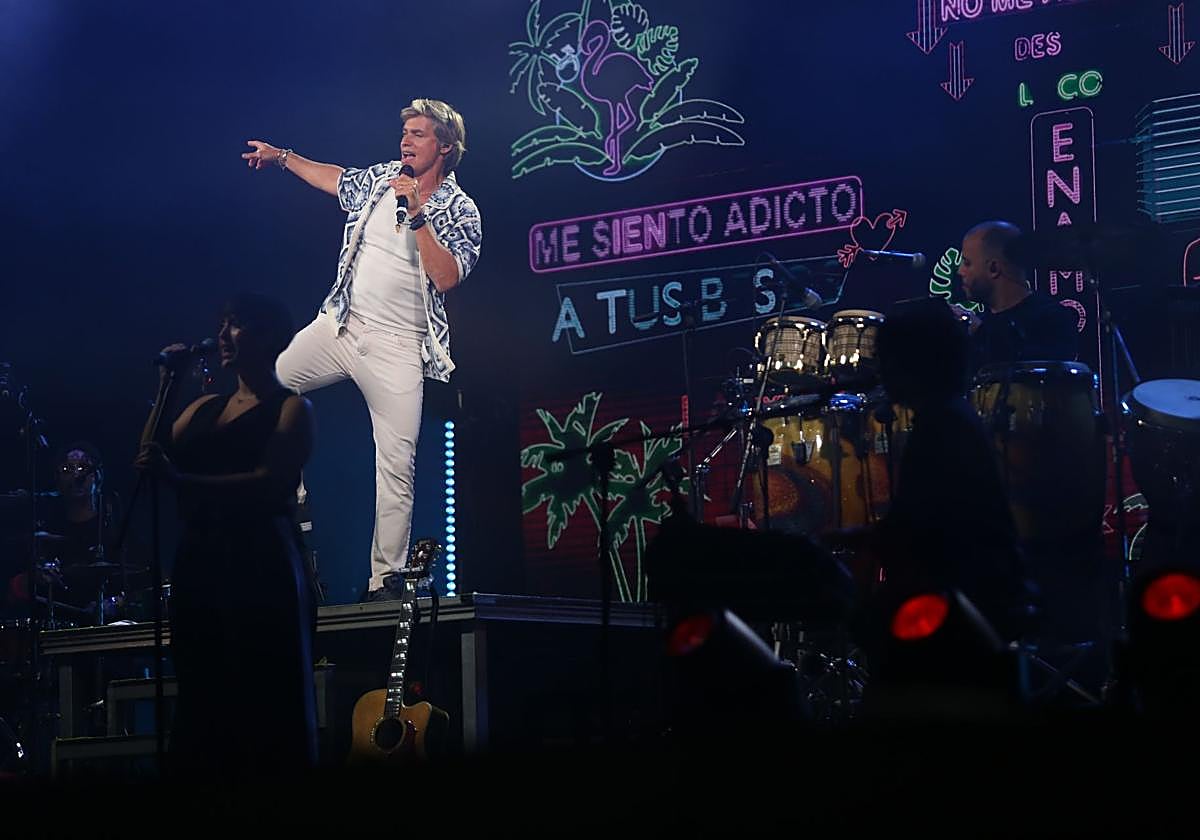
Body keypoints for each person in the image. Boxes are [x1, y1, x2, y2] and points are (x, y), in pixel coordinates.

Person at [241, 98, 482, 601]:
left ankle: (385, 579)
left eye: (418, 134)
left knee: (397, 461)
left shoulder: (460, 210)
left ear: (445, 146)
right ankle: (295, 497)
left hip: (401, 346)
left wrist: (417, 213)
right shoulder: (380, 179)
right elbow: (336, 179)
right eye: (405, 133)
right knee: (267, 390)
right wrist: (282, 157)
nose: (406, 142)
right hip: (342, 324)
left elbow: (446, 276)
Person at [135, 292, 318, 777]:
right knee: (203, 689)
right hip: (202, 563)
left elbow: (268, 482)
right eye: (222, 324)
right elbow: (150, 452)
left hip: (261, 564)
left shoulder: (293, 409)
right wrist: (165, 384)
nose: (222, 336)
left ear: (269, 337)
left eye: (236, 325)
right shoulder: (201, 409)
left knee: (263, 690)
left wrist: (182, 482)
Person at [868, 302, 1030, 641]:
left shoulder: (942, 428)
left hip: (974, 603)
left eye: (887, 361)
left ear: (911, 364)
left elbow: (916, 529)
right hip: (978, 589)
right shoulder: (950, 417)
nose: (881, 374)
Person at [954, 220, 1078, 372]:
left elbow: (1036, 374)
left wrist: (980, 331)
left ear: (994, 268)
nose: (960, 271)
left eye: (967, 263)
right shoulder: (981, 323)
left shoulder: (1051, 318)